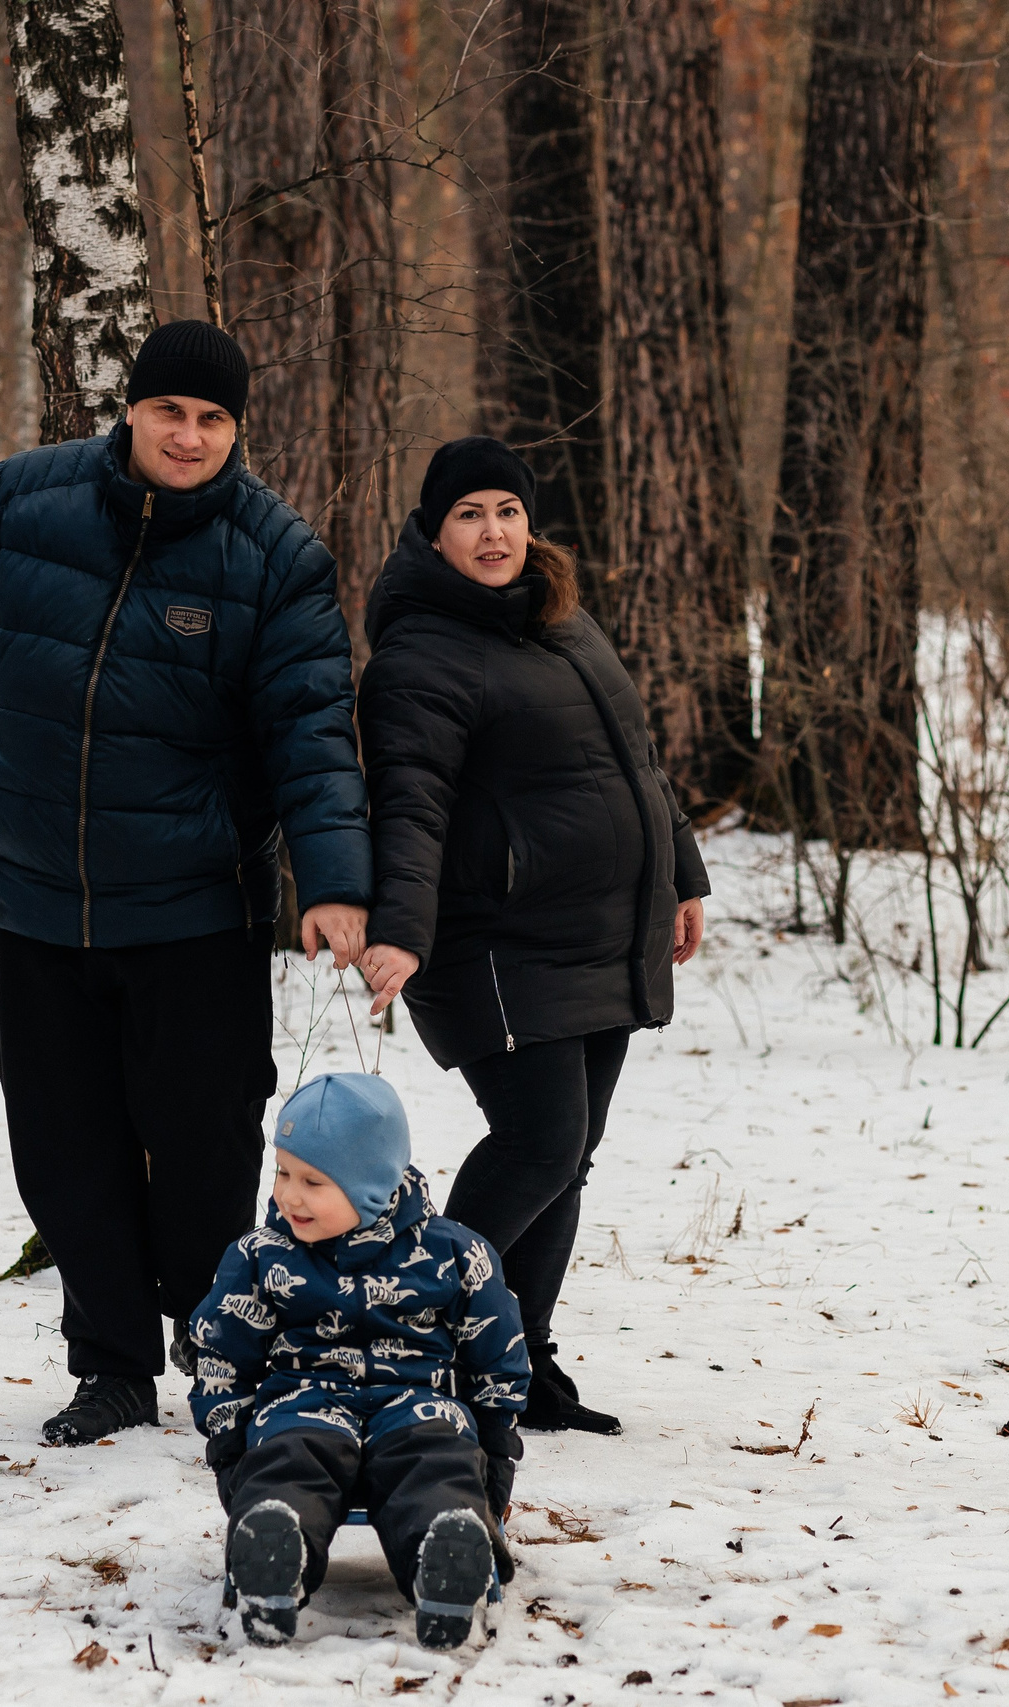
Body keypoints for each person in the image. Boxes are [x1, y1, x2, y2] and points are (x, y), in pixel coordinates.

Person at [0, 321, 371, 1447]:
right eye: (170, 411)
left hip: (190, 909)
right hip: (24, 901)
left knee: (205, 1149)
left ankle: (212, 1333)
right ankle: (112, 1365)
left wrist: (331, 879)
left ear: (236, 431)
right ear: (128, 408)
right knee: (65, 1149)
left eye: (213, 419)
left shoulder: (275, 556)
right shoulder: (18, 504)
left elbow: (312, 731)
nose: (188, 436)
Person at [353, 436, 707, 1437]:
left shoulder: (563, 623)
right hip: (496, 945)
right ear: (433, 531)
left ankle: (516, 1361)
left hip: (598, 932)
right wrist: (403, 933)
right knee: (541, 1142)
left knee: (568, 1155)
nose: (494, 532)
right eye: (469, 514)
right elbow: (408, 808)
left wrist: (681, 875)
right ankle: (411, 1332)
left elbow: (635, 761)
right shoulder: (419, 655)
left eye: (507, 511)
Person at [188, 1073, 529, 1651]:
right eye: (283, 1172)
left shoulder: (453, 1253)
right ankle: (274, 1544)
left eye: (313, 1181)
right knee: (291, 1458)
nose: (289, 1195)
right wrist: (229, 1445)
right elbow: (222, 1350)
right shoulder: (260, 1256)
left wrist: (496, 1446)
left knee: (435, 1461)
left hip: (419, 1404)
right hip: (303, 1402)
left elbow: (497, 1351)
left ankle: (444, 1553)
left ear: (371, 1184)